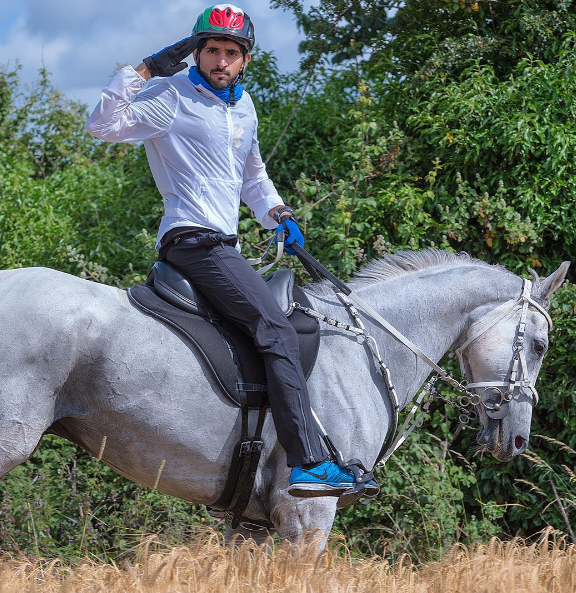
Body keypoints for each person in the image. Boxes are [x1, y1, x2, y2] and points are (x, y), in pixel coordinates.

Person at [86, 4, 373, 497]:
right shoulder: (168, 96)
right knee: (276, 329)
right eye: (212, 50)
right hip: (192, 239)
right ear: (196, 53)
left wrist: (278, 214)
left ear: (244, 61)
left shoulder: (245, 107)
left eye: (231, 53)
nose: (221, 60)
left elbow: (253, 177)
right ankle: (307, 463)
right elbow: (102, 125)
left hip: (225, 242)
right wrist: (147, 69)